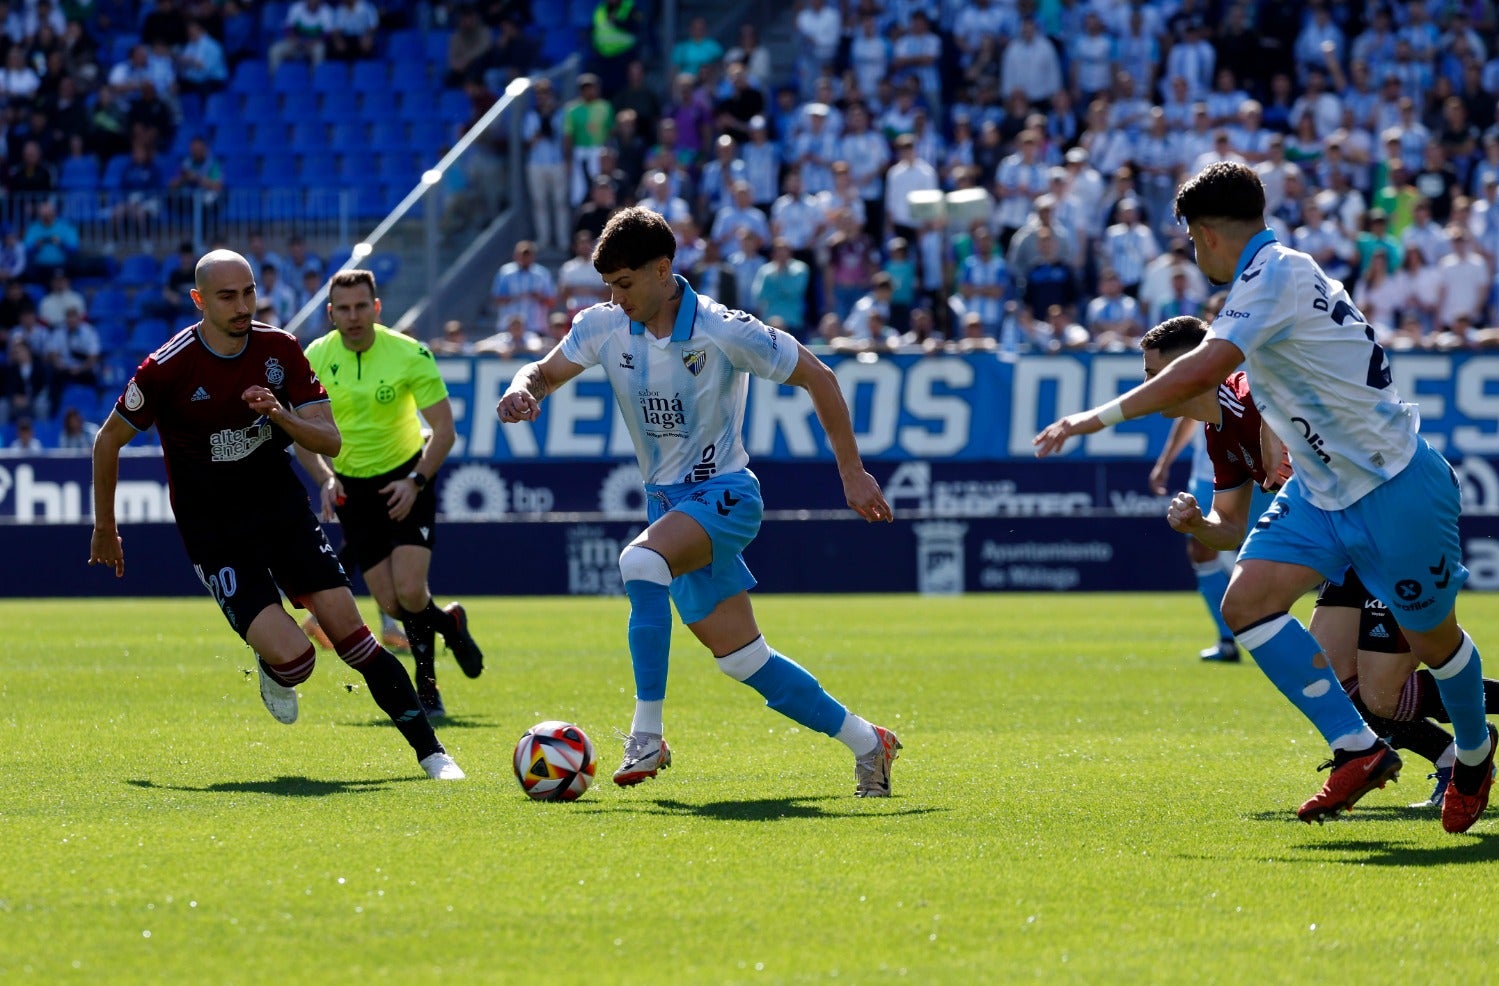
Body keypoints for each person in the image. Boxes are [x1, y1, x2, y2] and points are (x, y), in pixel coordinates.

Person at [1036, 161, 1497, 833]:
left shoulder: (1272, 275)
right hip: (1323, 491)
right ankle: (1358, 750)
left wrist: (1092, 418)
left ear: (1205, 234)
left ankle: (1476, 756)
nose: (1195, 254)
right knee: (1248, 603)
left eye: (1192, 242)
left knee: (1436, 643)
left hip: (1393, 485)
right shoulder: (1277, 274)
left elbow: (1201, 367)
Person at [496, 207, 901, 796]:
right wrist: (519, 390)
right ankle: (870, 743)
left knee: (639, 563)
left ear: (664, 270)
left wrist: (853, 473)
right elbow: (543, 374)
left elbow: (820, 376)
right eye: (608, 285)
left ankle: (646, 735)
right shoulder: (603, 325)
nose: (616, 297)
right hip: (669, 508)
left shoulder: (722, 328)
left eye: (626, 284)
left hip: (727, 495)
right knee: (743, 660)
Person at [1144, 314, 1499, 806]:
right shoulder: (1217, 430)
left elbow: (1278, 386)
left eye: (1154, 375)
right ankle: (1473, 735)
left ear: (1191, 369)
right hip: (1342, 537)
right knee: (1338, 683)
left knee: (1382, 695)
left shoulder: (1249, 391)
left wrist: (1279, 437)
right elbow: (1228, 525)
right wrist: (1197, 525)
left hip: (1383, 518)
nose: (1147, 386)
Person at [88, 250, 463, 780]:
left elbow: (330, 440)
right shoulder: (165, 369)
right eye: (227, 296)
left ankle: (433, 754)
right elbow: (108, 441)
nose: (243, 306)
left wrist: (279, 415)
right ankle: (275, 665)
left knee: (352, 635)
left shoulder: (279, 349)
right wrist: (106, 525)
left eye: (248, 293)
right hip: (215, 532)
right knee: (299, 661)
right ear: (199, 301)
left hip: (281, 512)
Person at [299, 269, 482, 720]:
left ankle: (427, 687)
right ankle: (451, 624)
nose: (353, 315)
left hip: (406, 479)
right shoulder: (314, 357)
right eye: (343, 308)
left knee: (409, 589)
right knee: (392, 604)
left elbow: (444, 431)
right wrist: (325, 477)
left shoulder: (408, 353)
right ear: (331, 314)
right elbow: (302, 437)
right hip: (352, 489)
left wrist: (416, 480)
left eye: (362, 306)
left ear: (376, 308)